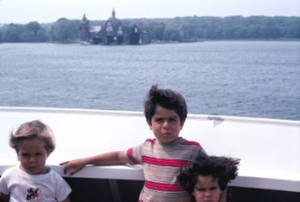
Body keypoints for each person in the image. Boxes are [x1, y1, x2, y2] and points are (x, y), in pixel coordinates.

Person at [60, 84, 207, 202]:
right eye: (159, 120)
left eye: (172, 120)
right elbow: (118, 156)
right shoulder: (146, 148)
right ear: (150, 123)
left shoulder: (192, 150)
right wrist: (85, 161)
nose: (166, 125)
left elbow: (218, 173)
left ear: (181, 123)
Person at [0, 120, 71, 202]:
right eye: (26, 155)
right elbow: (3, 198)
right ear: (17, 155)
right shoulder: (9, 176)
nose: (32, 160)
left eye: (38, 154)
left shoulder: (55, 180)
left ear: (47, 153)